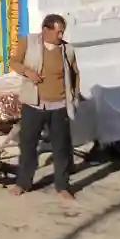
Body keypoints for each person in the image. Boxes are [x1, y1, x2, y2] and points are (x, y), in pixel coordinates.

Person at [10, 13, 82, 202]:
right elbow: (14, 62)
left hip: (59, 106)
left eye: (62, 32)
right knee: (28, 146)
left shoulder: (67, 50)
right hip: (34, 104)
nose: (61, 36)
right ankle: (23, 183)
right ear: (46, 30)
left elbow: (75, 74)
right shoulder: (29, 42)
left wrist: (73, 97)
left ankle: (63, 186)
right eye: (58, 32)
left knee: (61, 148)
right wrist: (28, 72)